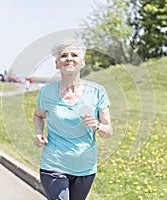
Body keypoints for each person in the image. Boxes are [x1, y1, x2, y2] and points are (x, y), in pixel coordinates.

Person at [33, 38, 113, 200]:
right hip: (53, 165)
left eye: (74, 55)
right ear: (57, 64)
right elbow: (38, 115)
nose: (69, 58)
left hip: (85, 167)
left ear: (82, 62)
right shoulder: (46, 92)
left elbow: (108, 131)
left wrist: (96, 125)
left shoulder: (97, 92)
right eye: (63, 55)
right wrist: (38, 132)